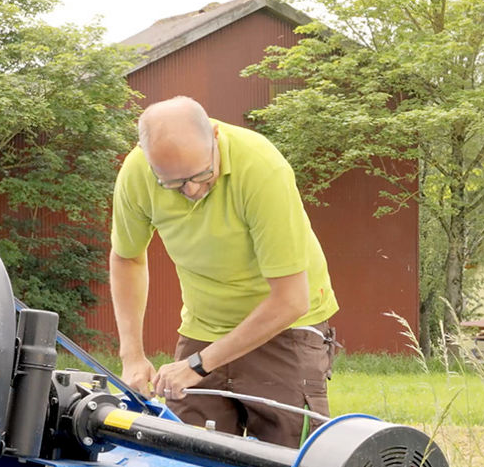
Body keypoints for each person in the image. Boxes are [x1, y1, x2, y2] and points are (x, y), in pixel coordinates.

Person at [109, 96, 338, 448]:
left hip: (285, 325)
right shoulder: (137, 173)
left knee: (288, 459)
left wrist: (198, 365)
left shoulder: (261, 168)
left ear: (215, 136)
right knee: (187, 453)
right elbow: (127, 258)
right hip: (206, 323)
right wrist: (133, 356)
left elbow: (290, 300)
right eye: (173, 184)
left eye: (201, 176)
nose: (192, 191)